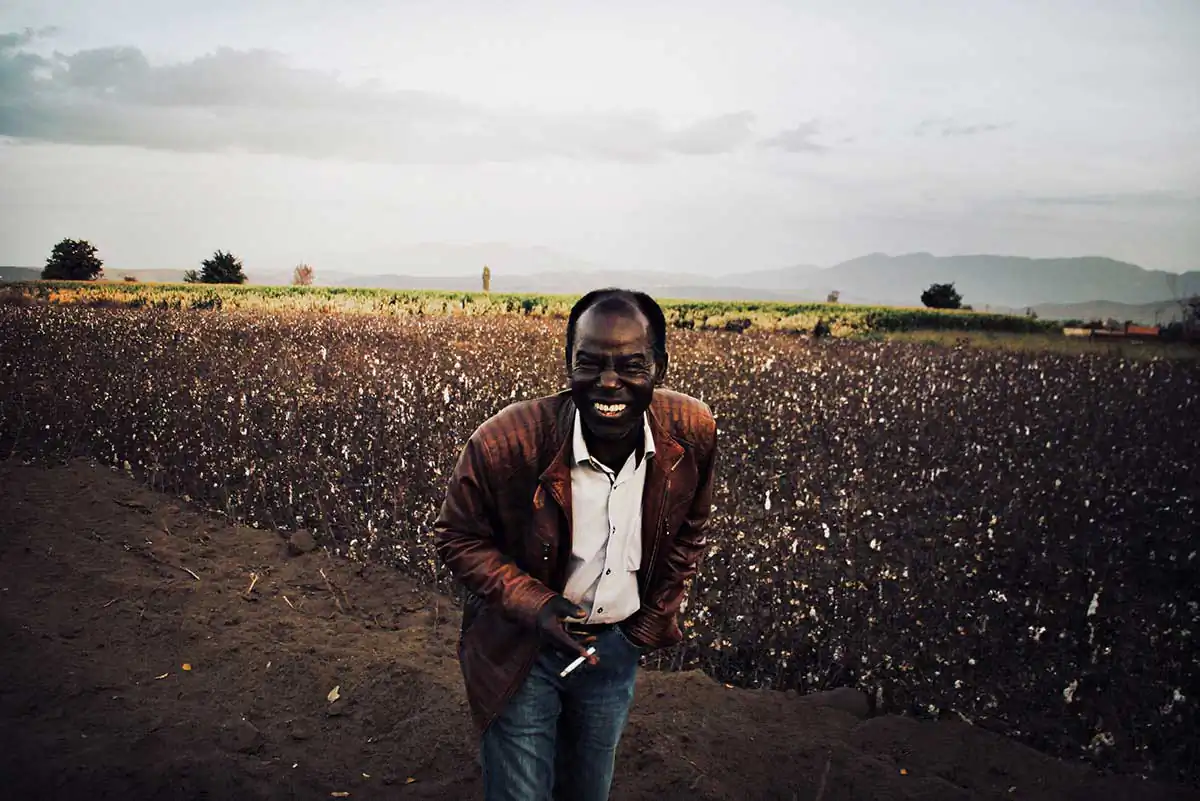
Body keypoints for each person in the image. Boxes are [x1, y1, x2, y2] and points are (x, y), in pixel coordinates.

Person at [434, 288, 719, 801]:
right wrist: (536, 606)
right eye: (589, 363)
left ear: (660, 366)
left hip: (614, 649)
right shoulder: (506, 441)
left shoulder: (692, 432)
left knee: (589, 789)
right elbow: (457, 536)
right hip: (521, 647)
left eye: (630, 364)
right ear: (568, 364)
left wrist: (649, 622)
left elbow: (690, 527)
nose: (609, 382)